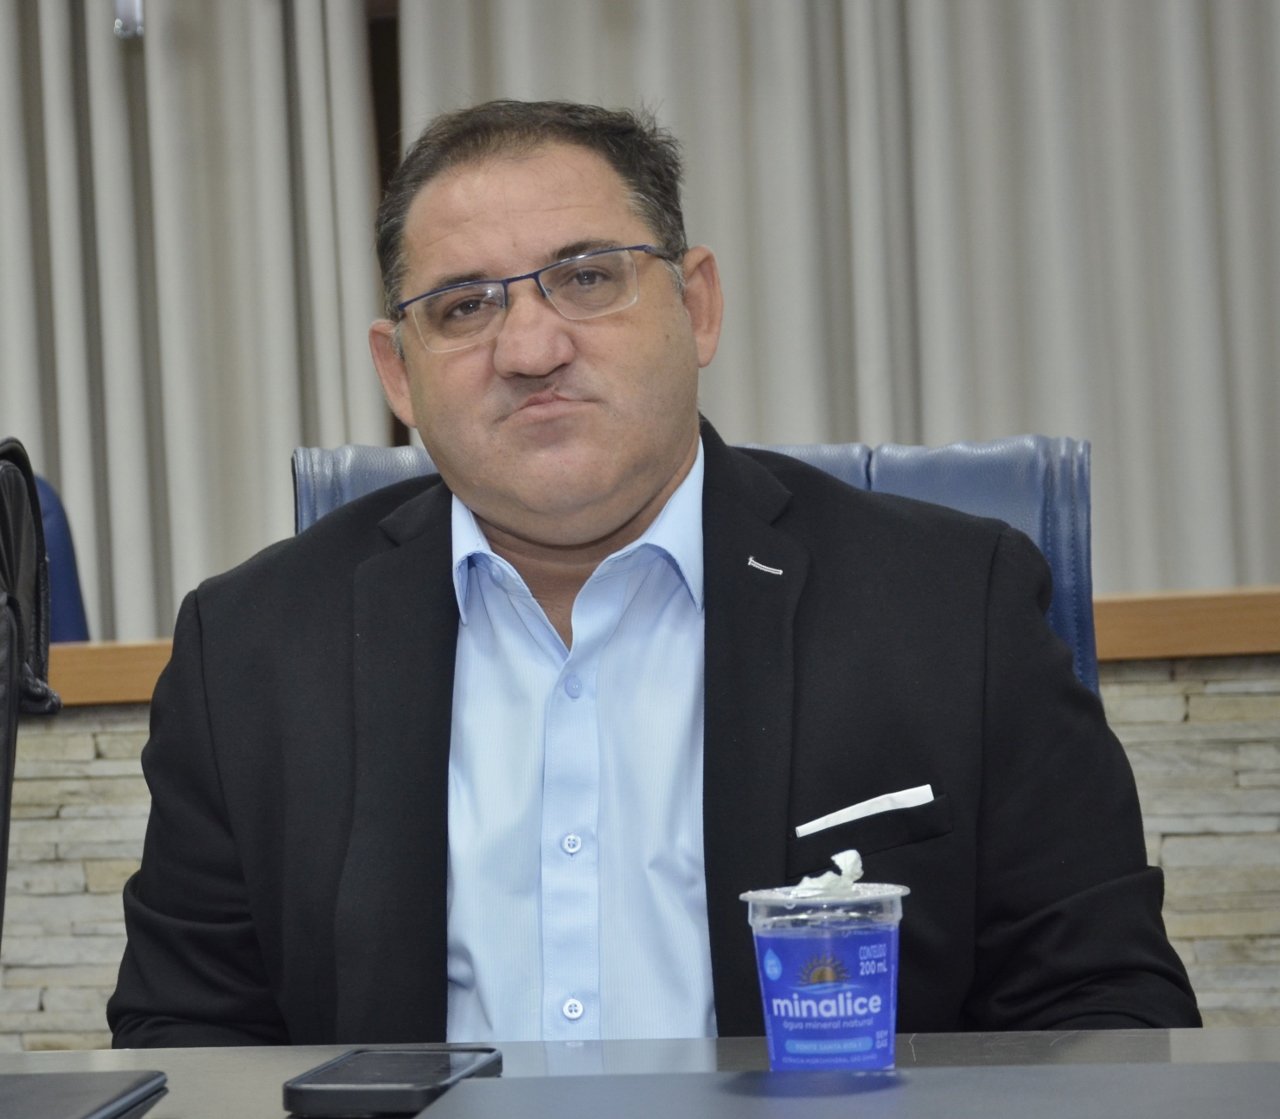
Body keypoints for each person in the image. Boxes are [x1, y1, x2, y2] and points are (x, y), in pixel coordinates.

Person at [107, 99, 1199, 1047]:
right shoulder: (245, 651)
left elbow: (1103, 1009)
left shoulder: (952, 604)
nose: (530, 349)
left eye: (586, 278)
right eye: (464, 306)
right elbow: (191, 1041)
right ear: (398, 372)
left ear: (697, 305)